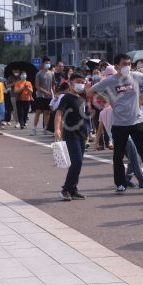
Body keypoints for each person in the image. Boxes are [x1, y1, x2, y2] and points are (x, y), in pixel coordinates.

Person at [90, 53, 143, 193]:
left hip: (137, 120)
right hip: (119, 123)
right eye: (124, 64)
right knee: (118, 156)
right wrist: (108, 98)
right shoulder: (110, 80)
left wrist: (142, 96)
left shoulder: (135, 76)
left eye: (129, 64)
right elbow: (91, 91)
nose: (127, 66)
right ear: (116, 66)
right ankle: (120, 184)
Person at [54, 73, 88, 201]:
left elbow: (83, 117)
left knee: (78, 164)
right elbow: (59, 113)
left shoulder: (82, 97)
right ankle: (65, 189)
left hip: (81, 134)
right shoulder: (66, 97)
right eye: (79, 81)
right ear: (71, 82)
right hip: (70, 134)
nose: (81, 84)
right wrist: (57, 129)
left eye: (83, 82)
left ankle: (73, 189)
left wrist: (87, 133)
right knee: (76, 162)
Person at [31, 57, 54, 136]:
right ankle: (34, 129)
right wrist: (45, 92)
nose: (48, 64)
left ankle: (45, 128)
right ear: (43, 64)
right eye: (46, 63)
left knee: (47, 112)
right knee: (38, 112)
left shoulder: (51, 73)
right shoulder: (39, 73)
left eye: (49, 63)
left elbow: (53, 85)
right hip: (40, 95)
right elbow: (37, 86)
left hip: (49, 96)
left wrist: (53, 93)